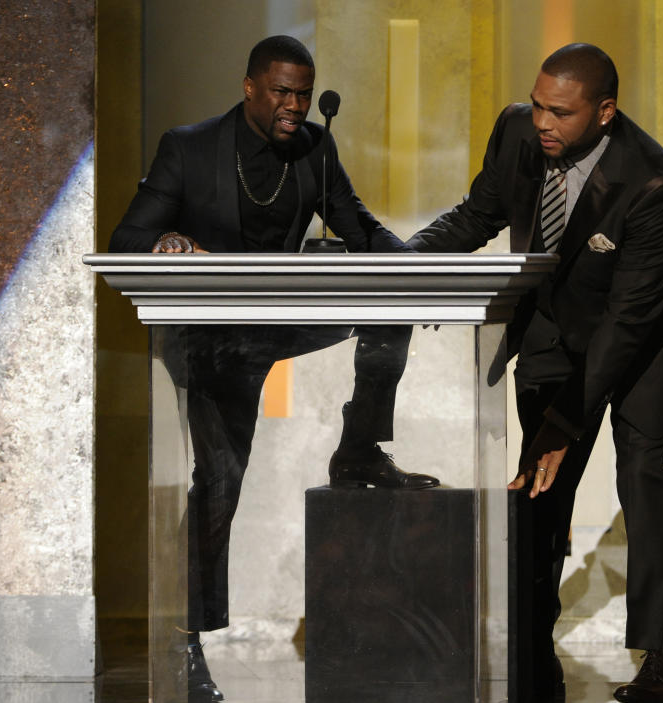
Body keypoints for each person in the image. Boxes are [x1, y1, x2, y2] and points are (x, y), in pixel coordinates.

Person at [110, 35, 438, 702]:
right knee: (221, 481)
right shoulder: (190, 147)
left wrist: (421, 270)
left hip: (276, 324)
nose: (294, 106)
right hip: (208, 340)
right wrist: (168, 241)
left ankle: (358, 448)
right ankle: (186, 644)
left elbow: (361, 229)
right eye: (282, 93)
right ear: (251, 87)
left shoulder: (317, 147)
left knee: (387, 301)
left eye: (303, 94)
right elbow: (127, 239)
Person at [408, 43, 663, 703]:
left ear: (604, 112)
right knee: (540, 477)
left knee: (642, 471)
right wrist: (401, 266)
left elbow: (625, 323)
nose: (542, 121)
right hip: (552, 321)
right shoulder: (519, 130)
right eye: (538, 103)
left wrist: (570, 417)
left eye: (560, 113)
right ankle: (531, 637)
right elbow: (476, 216)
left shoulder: (652, 182)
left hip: (646, 335)